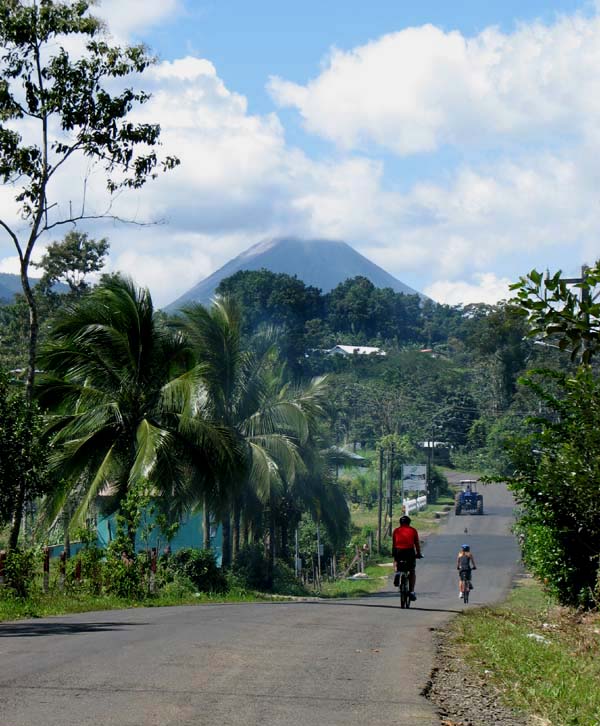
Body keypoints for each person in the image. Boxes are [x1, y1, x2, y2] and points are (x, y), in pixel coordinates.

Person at [392, 515, 422, 601]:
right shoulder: (413, 530)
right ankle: (412, 592)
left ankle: (397, 572)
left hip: (398, 551)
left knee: (396, 561)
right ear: (409, 523)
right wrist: (419, 553)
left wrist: (394, 553)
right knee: (412, 570)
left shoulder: (396, 531)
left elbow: (394, 544)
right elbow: (416, 543)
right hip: (409, 552)